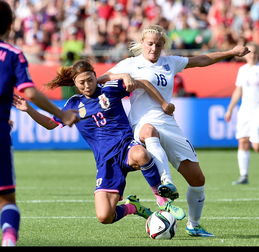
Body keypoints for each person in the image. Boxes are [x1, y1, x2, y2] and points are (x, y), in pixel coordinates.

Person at [97, 24, 250, 237]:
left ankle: (194, 225)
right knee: (149, 131)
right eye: (150, 44)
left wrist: (231, 52)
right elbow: (100, 80)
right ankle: (165, 183)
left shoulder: (170, 62)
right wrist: (123, 76)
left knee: (197, 180)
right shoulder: (131, 64)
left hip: (168, 124)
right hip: (141, 122)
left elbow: (201, 60)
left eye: (158, 45)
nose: (154, 48)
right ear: (142, 43)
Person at [13, 59, 185, 233]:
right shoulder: (73, 104)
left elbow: (144, 83)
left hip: (125, 147)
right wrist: (29, 109)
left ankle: (161, 199)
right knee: (104, 216)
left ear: (96, 77)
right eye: (82, 82)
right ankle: (133, 207)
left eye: (90, 80)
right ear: (74, 83)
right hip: (105, 162)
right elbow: (50, 124)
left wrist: (163, 103)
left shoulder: (110, 89)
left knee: (141, 154)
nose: (87, 85)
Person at [0, 1, 79, 247]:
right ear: (11, 25)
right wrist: (62, 113)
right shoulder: (12, 54)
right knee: (6, 198)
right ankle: (9, 240)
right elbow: (29, 92)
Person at [224, 42, 259, 185]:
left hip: (258, 110)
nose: (253, 55)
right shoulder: (243, 70)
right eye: (250, 52)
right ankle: (243, 176)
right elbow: (238, 90)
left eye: (255, 52)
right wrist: (230, 109)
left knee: (256, 145)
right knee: (243, 141)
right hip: (245, 110)